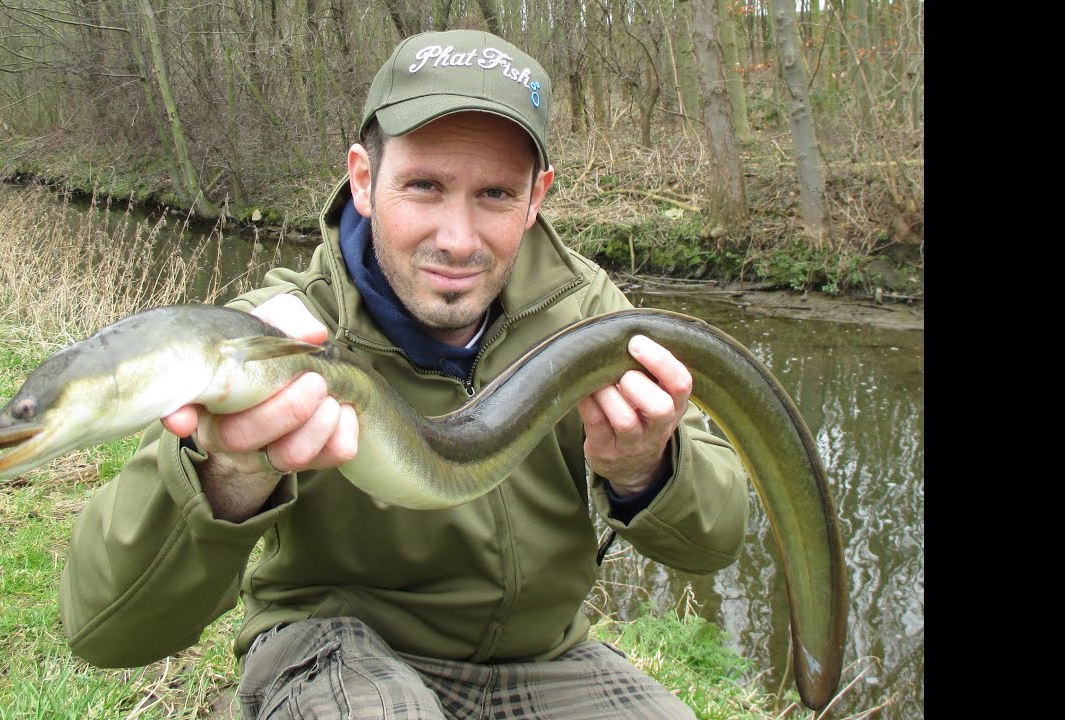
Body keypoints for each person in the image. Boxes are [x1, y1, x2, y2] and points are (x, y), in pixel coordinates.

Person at [60, 28, 749, 719]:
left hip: (547, 659)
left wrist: (646, 470)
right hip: (332, 651)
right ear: (364, 178)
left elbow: (714, 539)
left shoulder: (590, 318)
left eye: (496, 195)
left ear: (536, 198)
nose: (456, 238)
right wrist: (228, 478)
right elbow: (106, 627)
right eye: (423, 186)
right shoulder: (273, 339)